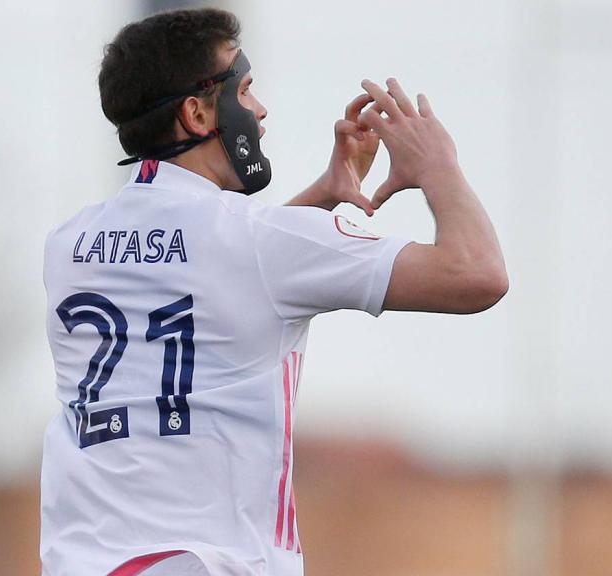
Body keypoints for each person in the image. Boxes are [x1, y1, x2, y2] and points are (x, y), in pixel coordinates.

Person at [40, 8, 507, 576]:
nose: (259, 111)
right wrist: (439, 166)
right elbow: (477, 274)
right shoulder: (259, 243)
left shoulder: (69, 245)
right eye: (244, 90)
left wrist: (323, 194)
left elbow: (219, 274)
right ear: (196, 113)